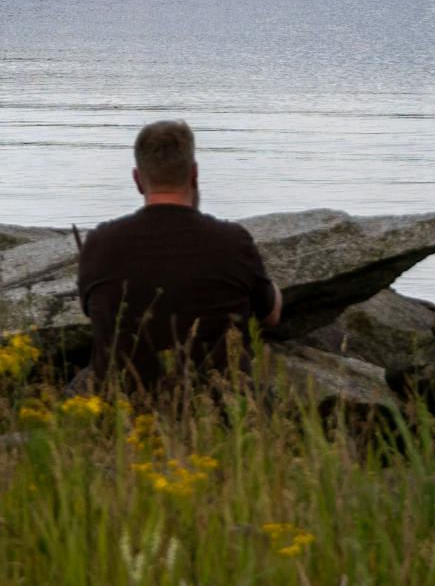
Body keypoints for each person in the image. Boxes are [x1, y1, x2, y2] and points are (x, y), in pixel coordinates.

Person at [77, 120, 282, 391]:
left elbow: (96, 315)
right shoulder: (232, 241)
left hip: (126, 409)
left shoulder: (99, 243)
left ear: (138, 179)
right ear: (194, 174)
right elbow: (270, 317)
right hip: (217, 408)